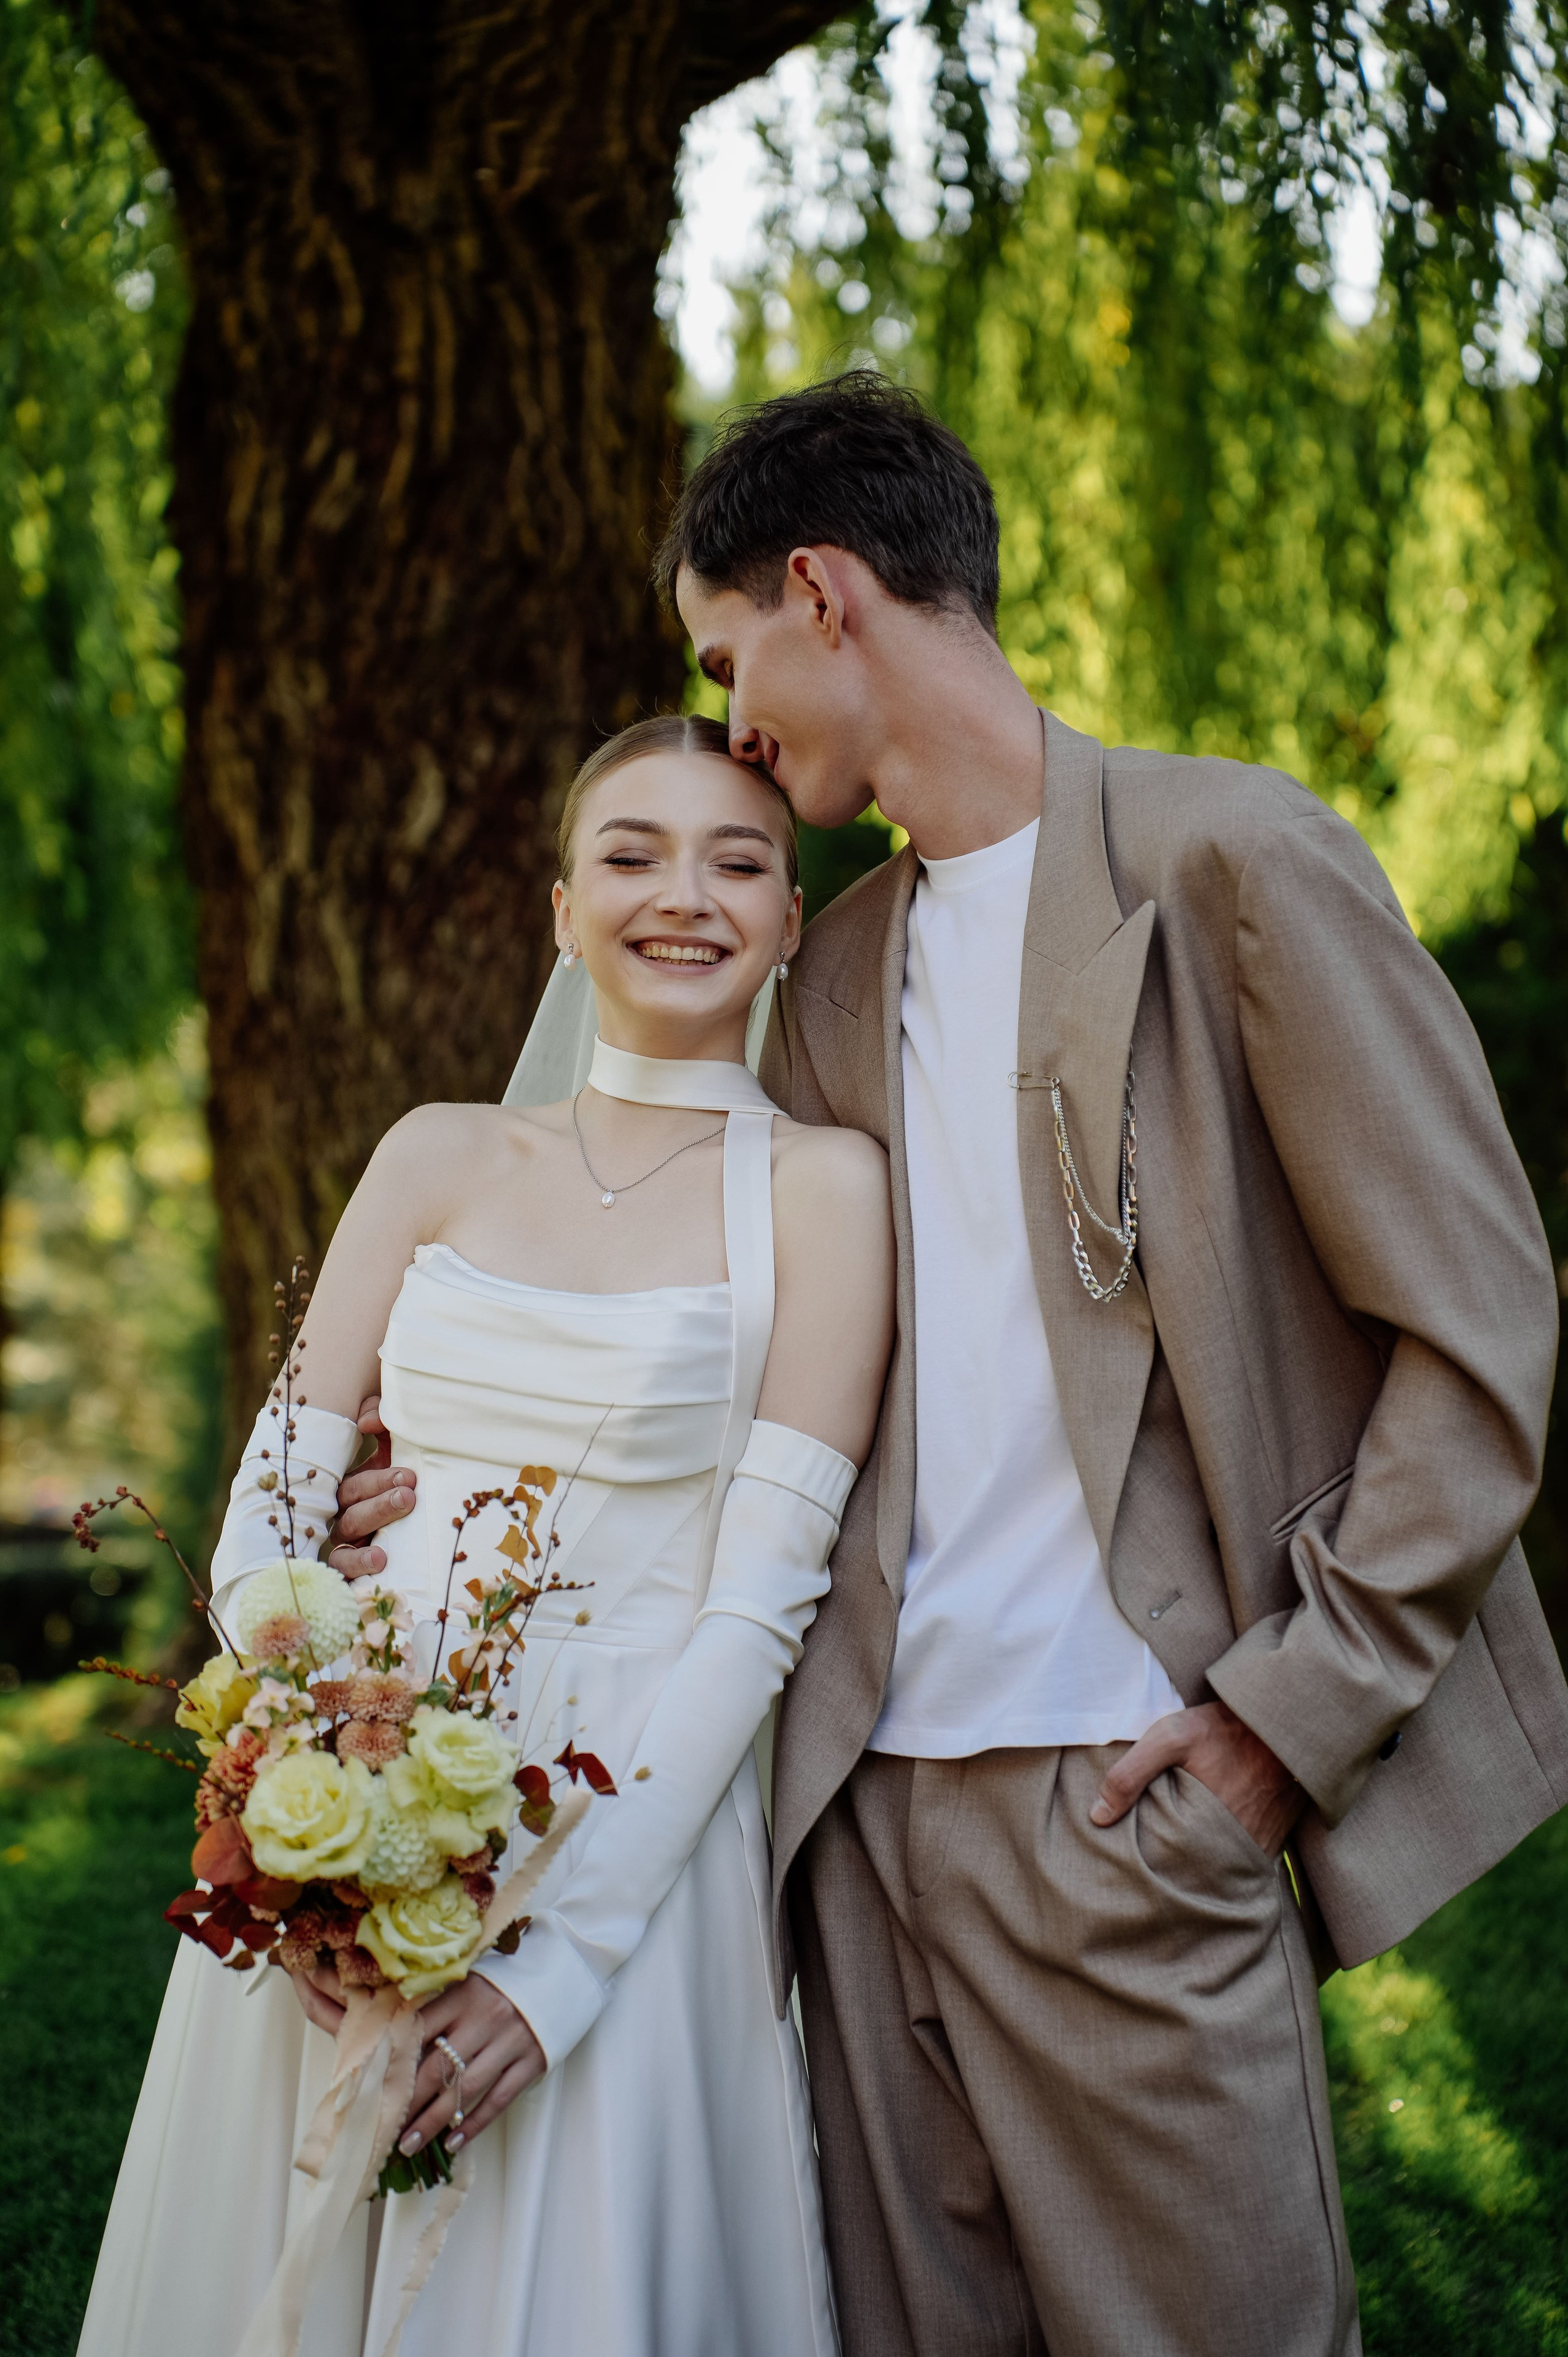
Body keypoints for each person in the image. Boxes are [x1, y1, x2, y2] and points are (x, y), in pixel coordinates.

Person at [344, 373, 1568, 2357]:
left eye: (725, 657)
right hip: (847, 1828)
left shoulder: (1227, 861)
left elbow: (1481, 1321)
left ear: (822, 592)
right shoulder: (829, 968)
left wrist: (1287, 1717)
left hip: (1127, 1802)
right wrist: (443, 1463)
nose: (729, 719)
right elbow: (708, 1316)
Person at [79, 714, 894, 2357]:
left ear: (794, 920)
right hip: (370, 1762)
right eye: (632, 854)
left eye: (740, 862)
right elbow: (272, 1510)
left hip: (629, 1821)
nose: (686, 895)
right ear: (558, 910)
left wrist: (562, 1972)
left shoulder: (824, 1188)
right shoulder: (439, 1152)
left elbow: (762, 1604)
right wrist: (301, 1802)